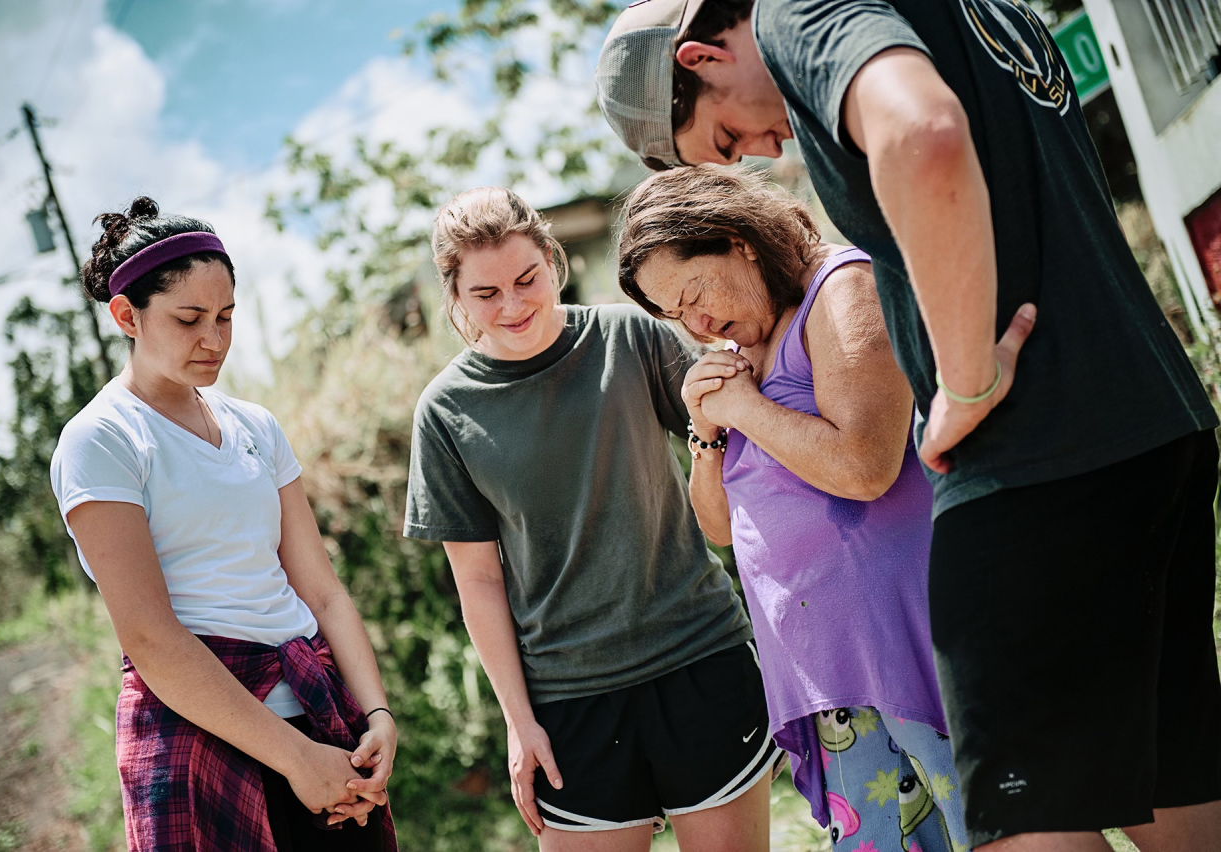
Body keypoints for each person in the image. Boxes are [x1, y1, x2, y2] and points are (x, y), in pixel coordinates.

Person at [595, 1, 1221, 850]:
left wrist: (962, 379)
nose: (766, 150)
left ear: (704, 58)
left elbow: (922, 135)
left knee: (1016, 819)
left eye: (728, 140)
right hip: (1148, 416)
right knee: (1172, 776)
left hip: (1033, 454)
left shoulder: (800, 11)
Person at [404, 186, 780, 851]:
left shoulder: (629, 337)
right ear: (456, 299)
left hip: (699, 659)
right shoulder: (444, 413)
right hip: (567, 700)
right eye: (486, 294)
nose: (514, 304)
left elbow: (728, 438)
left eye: (527, 278)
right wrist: (519, 723)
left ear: (554, 261)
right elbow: (479, 582)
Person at [617, 164, 971, 852]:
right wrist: (704, 433)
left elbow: (865, 467)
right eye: (672, 315)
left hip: (903, 642)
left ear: (737, 240)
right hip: (823, 668)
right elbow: (721, 527)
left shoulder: (840, 289)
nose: (694, 323)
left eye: (693, 294)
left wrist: (746, 406)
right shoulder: (739, 349)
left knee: (988, 828)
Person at [49, 197, 398, 851]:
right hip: (198, 741)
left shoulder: (254, 425)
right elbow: (152, 639)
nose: (214, 339)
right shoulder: (102, 439)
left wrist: (375, 712)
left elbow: (321, 591)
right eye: (189, 319)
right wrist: (294, 759)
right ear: (126, 315)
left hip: (321, 720)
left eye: (226, 316)